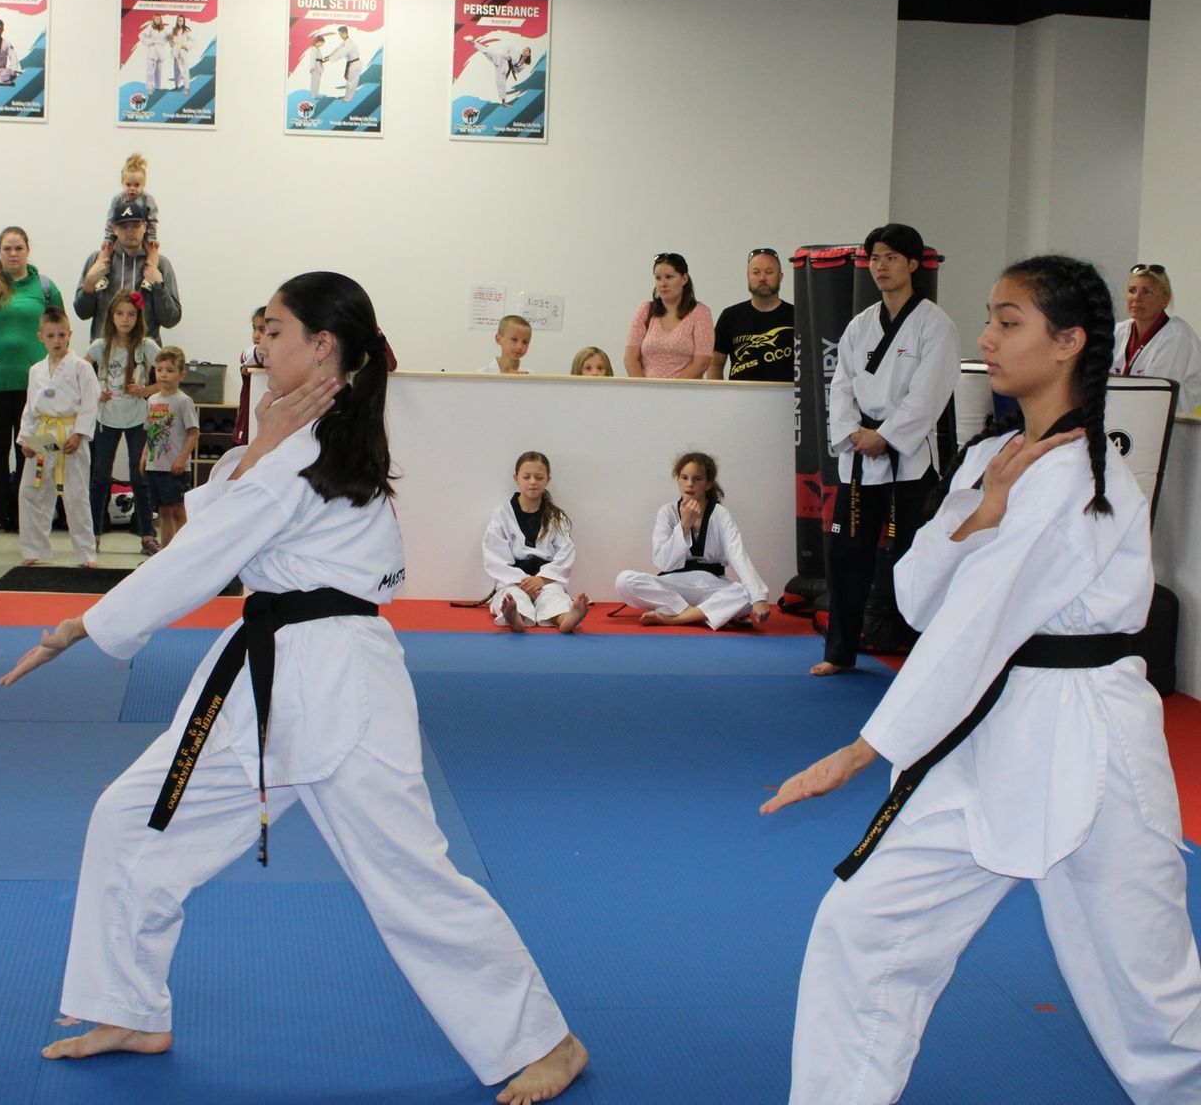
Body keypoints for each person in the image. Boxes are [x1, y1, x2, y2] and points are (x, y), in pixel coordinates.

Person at [0, 271, 589, 1105]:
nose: (258, 342)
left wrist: (81, 626)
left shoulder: (313, 442)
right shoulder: (298, 438)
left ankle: (546, 1041)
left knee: (409, 875)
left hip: (339, 686)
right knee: (132, 820)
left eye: (273, 329)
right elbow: (225, 524)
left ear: (323, 347)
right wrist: (262, 445)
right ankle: (127, 1005)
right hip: (265, 681)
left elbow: (207, 553)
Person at [762, 254, 1201, 1105]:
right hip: (984, 732)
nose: (988, 338)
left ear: (1070, 343)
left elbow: (979, 621)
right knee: (865, 928)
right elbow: (920, 596)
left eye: (1009, 322)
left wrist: (861, 751)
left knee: (1150, 1001)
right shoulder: (992, 459)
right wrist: (980, 513)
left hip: (1088, 739)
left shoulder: (1087, 473)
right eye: (990, 318)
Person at [811, 224, 959, 677]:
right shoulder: (859, 325)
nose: (881, 266)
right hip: (859, 459)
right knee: (846, 557)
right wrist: (853, 433)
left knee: (912, 559)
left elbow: (928, 395)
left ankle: (923, 657)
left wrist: (887, 436)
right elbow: (841, 386)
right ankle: (839, 653)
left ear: (914, 263)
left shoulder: (935, 325)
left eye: (892, 257)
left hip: (909, 463)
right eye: (875, 258)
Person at [0, 225, 66, 531]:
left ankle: (25, 517)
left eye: (18, 248)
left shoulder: (44, 287)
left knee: (31, 453)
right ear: (0, 252)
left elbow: (60, 328)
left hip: (36, 388)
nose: (13, 254)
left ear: (28, 250)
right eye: (7, 248)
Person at [614, 451, 770, 629]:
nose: (690, 484)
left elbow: (738, 554)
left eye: (697, 479)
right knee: (624, 581)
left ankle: (675, 618)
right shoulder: (667, 512)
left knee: (746, 594)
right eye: (684, 477)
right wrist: (684, 526)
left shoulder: (719, 515)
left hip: (711, 586)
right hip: (674, 585)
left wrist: (758, 597)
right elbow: (663, 563)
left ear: (708, 484)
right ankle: (701, 614)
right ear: (677, 479)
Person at [17, 307, 100, 568]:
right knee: (31, 492)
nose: (56, 340)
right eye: (51, 335)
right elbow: (30, 407)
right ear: (40, 336)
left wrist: (79, 434)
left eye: (61, 335)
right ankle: (33, 549)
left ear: (70, 335)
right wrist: (25, 439)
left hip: (69, 436)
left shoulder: (82, 368)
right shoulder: (35, 370)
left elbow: (90, 403)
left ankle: (86, 554)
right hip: (42, 435)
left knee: (76, 495)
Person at [86, 290, 161, 555]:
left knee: (140, 476)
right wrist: (96, 391)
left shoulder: (146, 346)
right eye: (120, 313)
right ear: (112, 316)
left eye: (131, 314)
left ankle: (147, 535)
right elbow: (80, 373)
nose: (125, 319)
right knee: (99, 477)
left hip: (137, 418)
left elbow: (168, 376)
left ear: (138, 316)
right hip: (106, 418)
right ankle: (93, 533)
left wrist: (145, 390)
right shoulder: (100, 345)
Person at [483, 451, 590, 633]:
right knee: (511, 596)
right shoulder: (501, 515)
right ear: (516, 478)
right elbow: (494, 557)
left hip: (546, 580)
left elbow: (566, 553)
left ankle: (567, 619)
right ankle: (515, 617)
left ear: (548, 479)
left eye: (539, 477)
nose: (533, 481)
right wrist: (523, 581)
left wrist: (541, 580)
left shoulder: (556, 517)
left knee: (554, 597)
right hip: (514, 580)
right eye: (527, 476)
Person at [76, 196, 181, 343]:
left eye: (135, 226)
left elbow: (171, 320)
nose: (130, 231)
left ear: (144, 226)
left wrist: (158, 286)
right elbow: (82, 313)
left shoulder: (160, 265)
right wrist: (89, 284)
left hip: (146, 358)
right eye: (124, 226)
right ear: (114, 229)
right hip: (104, 357)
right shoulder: (97, 261)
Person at [1113, 262, 1201, 415]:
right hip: (1126, 417)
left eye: (1147, 292)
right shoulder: (1117, 331)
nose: (1137, 298)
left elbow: (1155, 393)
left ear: (1164, 300)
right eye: (1132, 290)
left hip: (1174, 427)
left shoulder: (1177, 335)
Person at [140, 346, 199, 549]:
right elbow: (150, 432)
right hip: (155, 466)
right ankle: (166, 553)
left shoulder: (183, 401)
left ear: (181, 374)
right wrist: (144, 455)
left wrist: (182, 459)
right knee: (164, 512)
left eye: (170, 370)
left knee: (178, 510)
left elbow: (193, 433)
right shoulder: (152, 400)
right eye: (159, 369)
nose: (163, 374)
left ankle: (185, 550)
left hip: (174, 467)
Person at [708, 248, 795, 382]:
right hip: (741, 399)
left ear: (781, 276)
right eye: (756, 272)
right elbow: (715, 364)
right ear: (748, 277)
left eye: (769, 272)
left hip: (786, 399)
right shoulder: (730, 316)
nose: (762, 278)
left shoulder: (798, 316)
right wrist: (718, 398)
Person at [624, 253, 714, 379]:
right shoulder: (645, 310)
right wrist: (644, 388)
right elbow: (630, 359)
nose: (663, 283)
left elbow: (702, 363)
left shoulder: (700, 313)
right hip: (647, 392)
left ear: (684, 279)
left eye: (669, 277)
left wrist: (672, 390)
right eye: (658, 278)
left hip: (685, 392)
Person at [98, 153, 160, 258]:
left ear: (143, 185)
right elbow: (110, 220)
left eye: (137, 185)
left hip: (142, 238)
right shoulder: (118, 199)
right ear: (122, 183)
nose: (132, 188)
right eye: (128, 184)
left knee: (152, 254)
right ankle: (103, 270)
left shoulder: (147, 200)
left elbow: (152, 221)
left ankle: (151, 270)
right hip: (119, 237)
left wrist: (151, 238)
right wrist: (108, 238)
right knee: (106, 252)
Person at [464, 33, 532, 107]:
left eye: (527, 50)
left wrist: (512, 70)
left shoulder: (524, 64)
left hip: (504, 69)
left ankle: (504, 102)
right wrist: (505, 55)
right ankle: (472, 42)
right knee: (488, 51)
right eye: (524, 49)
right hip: (502, 59)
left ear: (528, 54)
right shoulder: (516, 53)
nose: (524, 50)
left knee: (501, 84)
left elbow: (516, 71)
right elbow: (509, 47)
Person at [232, 306, 267, 447]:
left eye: (262, 330)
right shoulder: (250, 354)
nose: (256, 335)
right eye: (254, 329)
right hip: (247, 426)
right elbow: (257, 353)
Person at [324, 25, 361, 101]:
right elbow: (338, 49)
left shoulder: (349, 43)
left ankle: (347, 98)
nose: (340, 36)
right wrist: (329, 55)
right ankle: (348, 96)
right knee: (352, 81)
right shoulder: (345, 42)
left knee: (351, 82)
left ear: (345, 33)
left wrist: (330, 59)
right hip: (353, 63)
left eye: (340, 34)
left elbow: (341, 53)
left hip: (355, 64)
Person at [141, 15, 170, 93]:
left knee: (159, 70)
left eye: (159, 19)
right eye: (156, 19)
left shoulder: (163, 29)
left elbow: (167, 37)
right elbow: (142, 35)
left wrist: (163, 43)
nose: (157, 20)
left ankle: (158, 86)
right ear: (153, 20)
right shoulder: (150, 28)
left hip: (160, 51)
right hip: (152, 50)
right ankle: (149, 88)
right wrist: (149, 42)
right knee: (150, 71)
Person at [169, 17, 193, 93]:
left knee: (184, 70)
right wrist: (173, 46)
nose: (180, 21)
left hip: (183, 52)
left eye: (181, 20)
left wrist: (184, 46)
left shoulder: (186, 30)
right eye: (179, 20)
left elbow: (193, 40)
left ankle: (187, 88)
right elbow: (171, 40)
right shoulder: (174, 30)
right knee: (176, 69)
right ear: (177, 21)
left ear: (184, 21)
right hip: (176, 52)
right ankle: (176, 85)